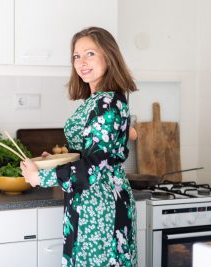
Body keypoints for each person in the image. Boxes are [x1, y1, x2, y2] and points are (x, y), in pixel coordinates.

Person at [21, 26, 138, 267]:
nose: (81, 62)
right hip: (88, 204)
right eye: (76, 56)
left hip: (101, 209)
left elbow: (95, 167)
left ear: (109, 55)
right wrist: (59, 159)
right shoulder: (96, 100)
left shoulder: (107, 104)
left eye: (90, 54)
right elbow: (90, 151)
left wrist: (42, 176)